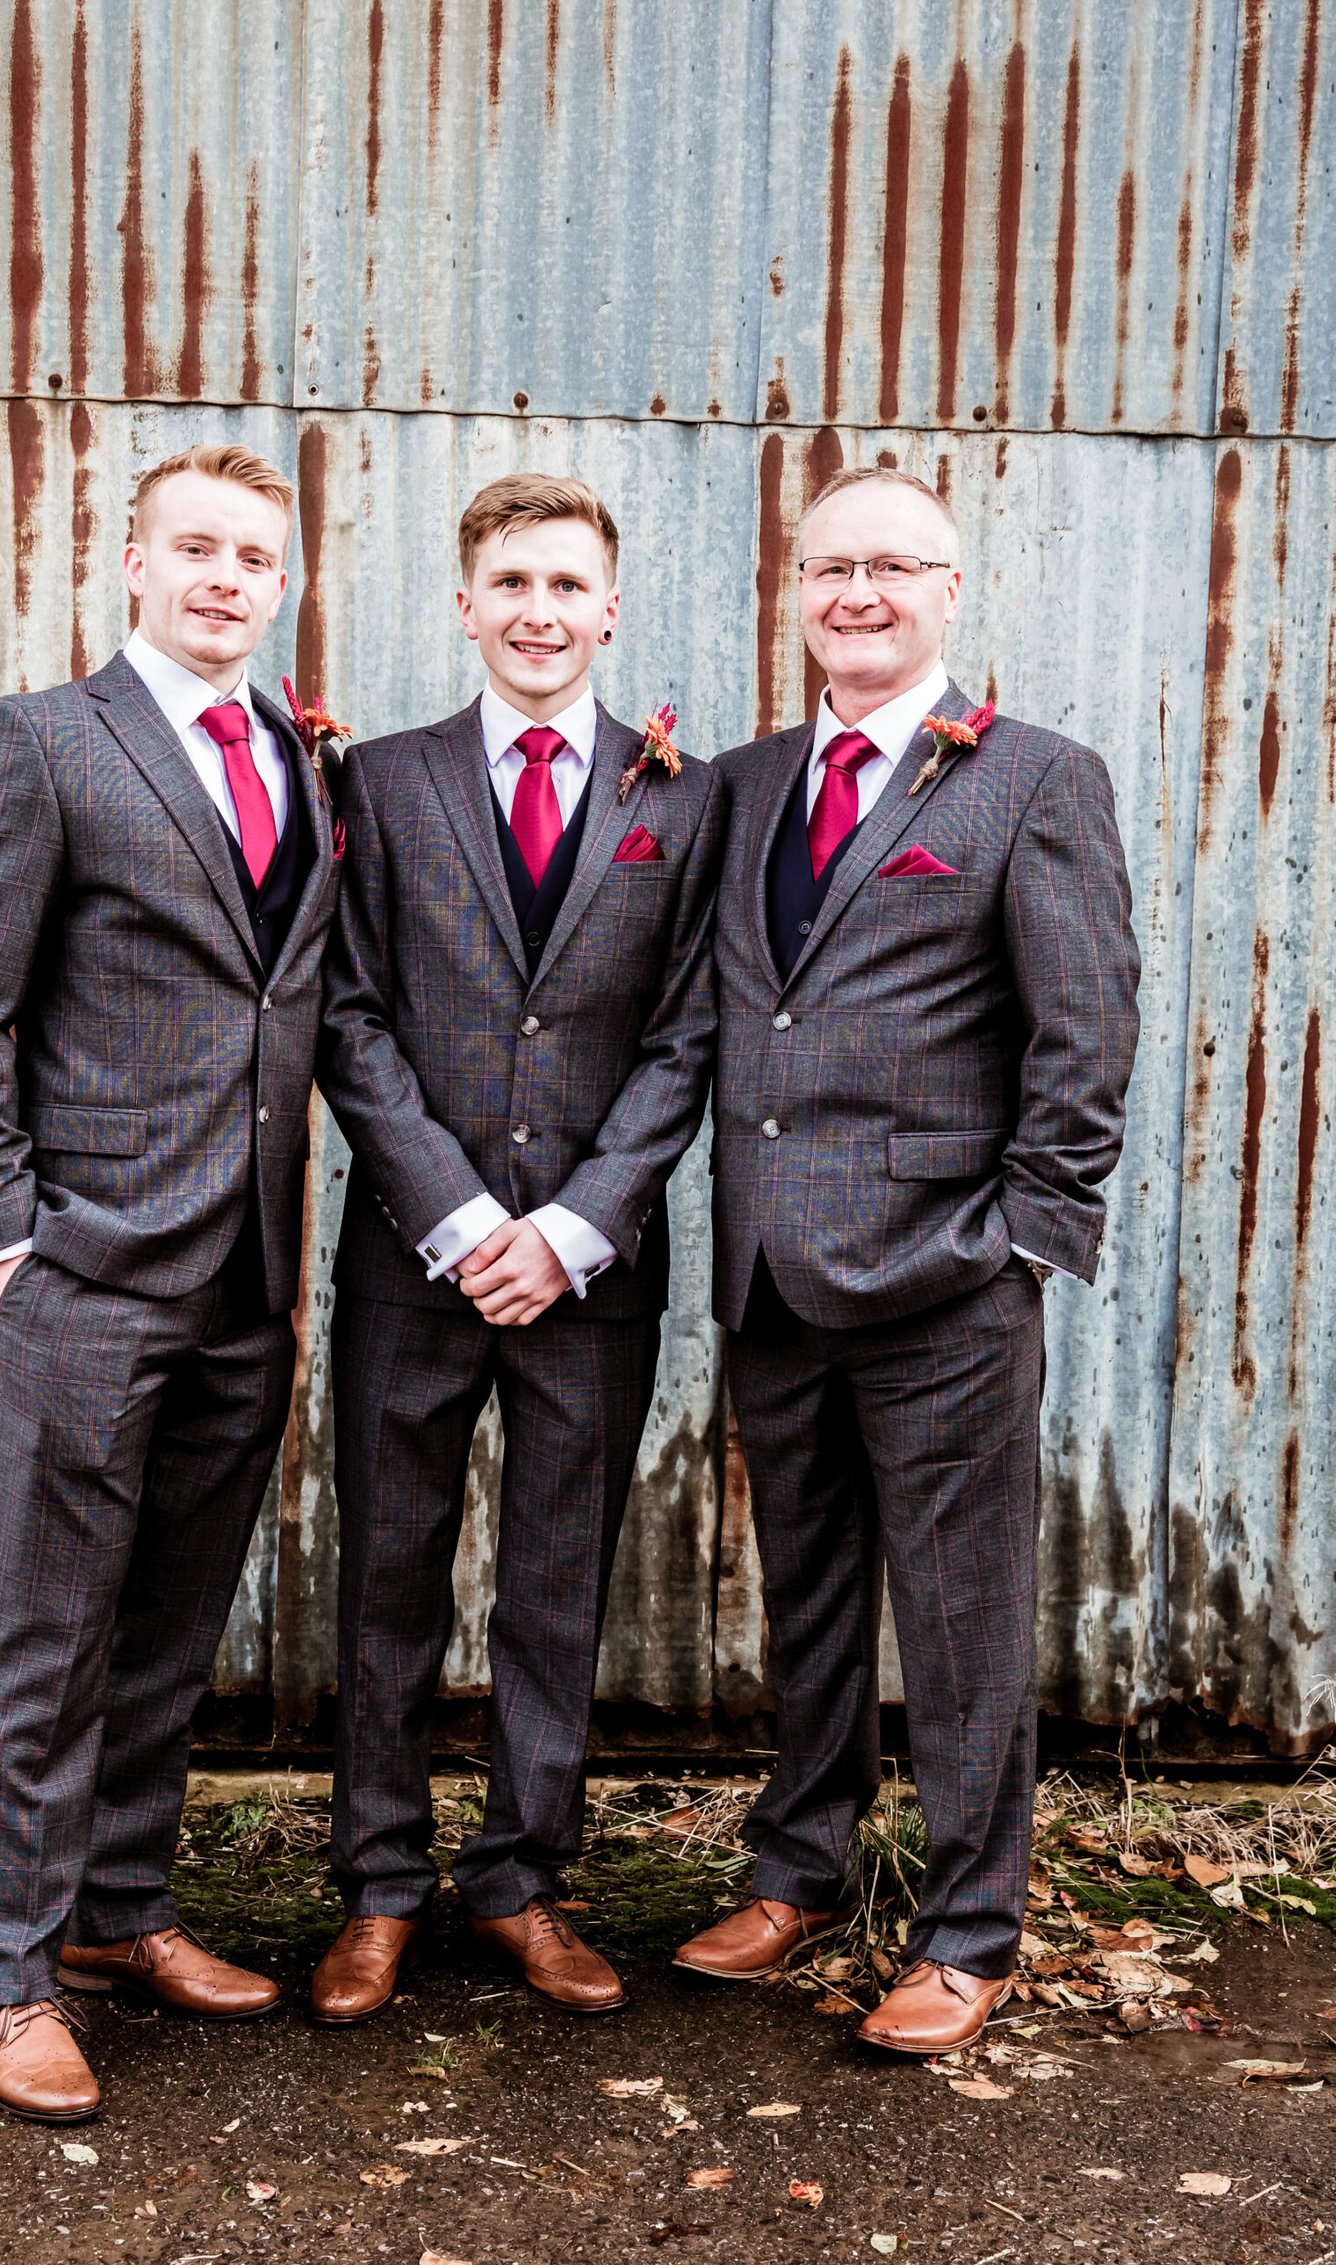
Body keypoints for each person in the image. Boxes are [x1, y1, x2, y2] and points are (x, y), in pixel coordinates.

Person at [675, 466, 1140, 2054]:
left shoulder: (1034, 780)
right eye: (830, 567)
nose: (858, 593)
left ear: (949, 589)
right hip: (774, 1277)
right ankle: (800, 1866)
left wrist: (1020, 1242)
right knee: (807, 1596)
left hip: (947, 1279)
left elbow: (1085, 1037)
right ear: (796, 589)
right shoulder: (742, 785)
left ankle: (968, 1926)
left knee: (960, 1617)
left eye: (892, 566)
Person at [0, 443, 344, 2120]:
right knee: (49, 1625)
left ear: (279, 582)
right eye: (199, 549)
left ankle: (115, 1906)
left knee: (170, 1617)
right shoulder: (40, 741)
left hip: (248, 1268)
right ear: (136, 563)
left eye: (255, 557)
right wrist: (5, 1234)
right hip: (87, 1263)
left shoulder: (301, 753)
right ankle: (1, 1969)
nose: (228, 579)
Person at [313, 474, 724, 2022]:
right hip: (411, 1260)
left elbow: (689, 1033)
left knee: (559, 1579)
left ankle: (521, 1879)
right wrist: (465, 1216)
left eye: (566, 585)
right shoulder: (381, 781)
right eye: (511, 583)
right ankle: (378, 1886)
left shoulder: (685, 797)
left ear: (608, 609)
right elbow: (348, 1011)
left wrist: (569, 1227)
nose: (538, 611)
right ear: (465, 604)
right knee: (388, 1575)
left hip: (591, 1273)